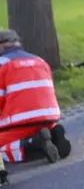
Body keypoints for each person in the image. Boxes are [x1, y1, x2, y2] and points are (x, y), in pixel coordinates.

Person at [0, 30, 71, 173]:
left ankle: (34, 144)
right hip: (49, 117)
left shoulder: (2, 64)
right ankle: (53, 136)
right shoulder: (40, 61)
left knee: (4, 150)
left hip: (19, 122)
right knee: (36, 129)